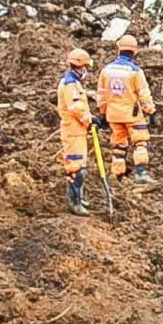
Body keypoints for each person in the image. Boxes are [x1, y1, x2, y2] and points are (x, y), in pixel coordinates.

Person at [97, 35, 156, 183]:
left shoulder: (106, 70)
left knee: (119, 144)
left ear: (119, 49)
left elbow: (102, 94)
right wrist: (150, 110)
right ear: (134, 51)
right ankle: (141, 173)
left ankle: (117, 175)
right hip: (132, 114)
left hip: (113, 114)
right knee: (140, 141)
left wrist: (103, 113)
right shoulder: (135, 71)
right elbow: (143, 93)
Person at [57, 48, 100, 214]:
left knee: (81, 165)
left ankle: (79, 197)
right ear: (80, 66)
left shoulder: (74, 82)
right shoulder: (70, 84)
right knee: (76, 169)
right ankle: (74, 202)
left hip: (78, 130)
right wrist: (89, 120)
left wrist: (89, 118)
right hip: (73, 131)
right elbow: (76, 108)